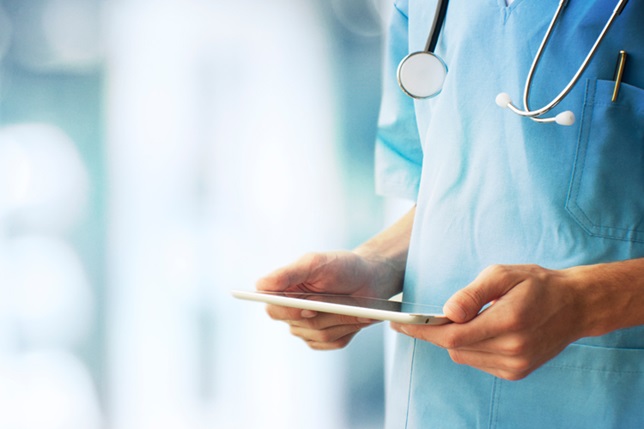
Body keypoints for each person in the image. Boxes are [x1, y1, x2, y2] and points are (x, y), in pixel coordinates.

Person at [256, 0, 644, 427]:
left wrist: (585, 303)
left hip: (606, 399)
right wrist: (375, 268)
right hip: (439, 400)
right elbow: (451, 190)